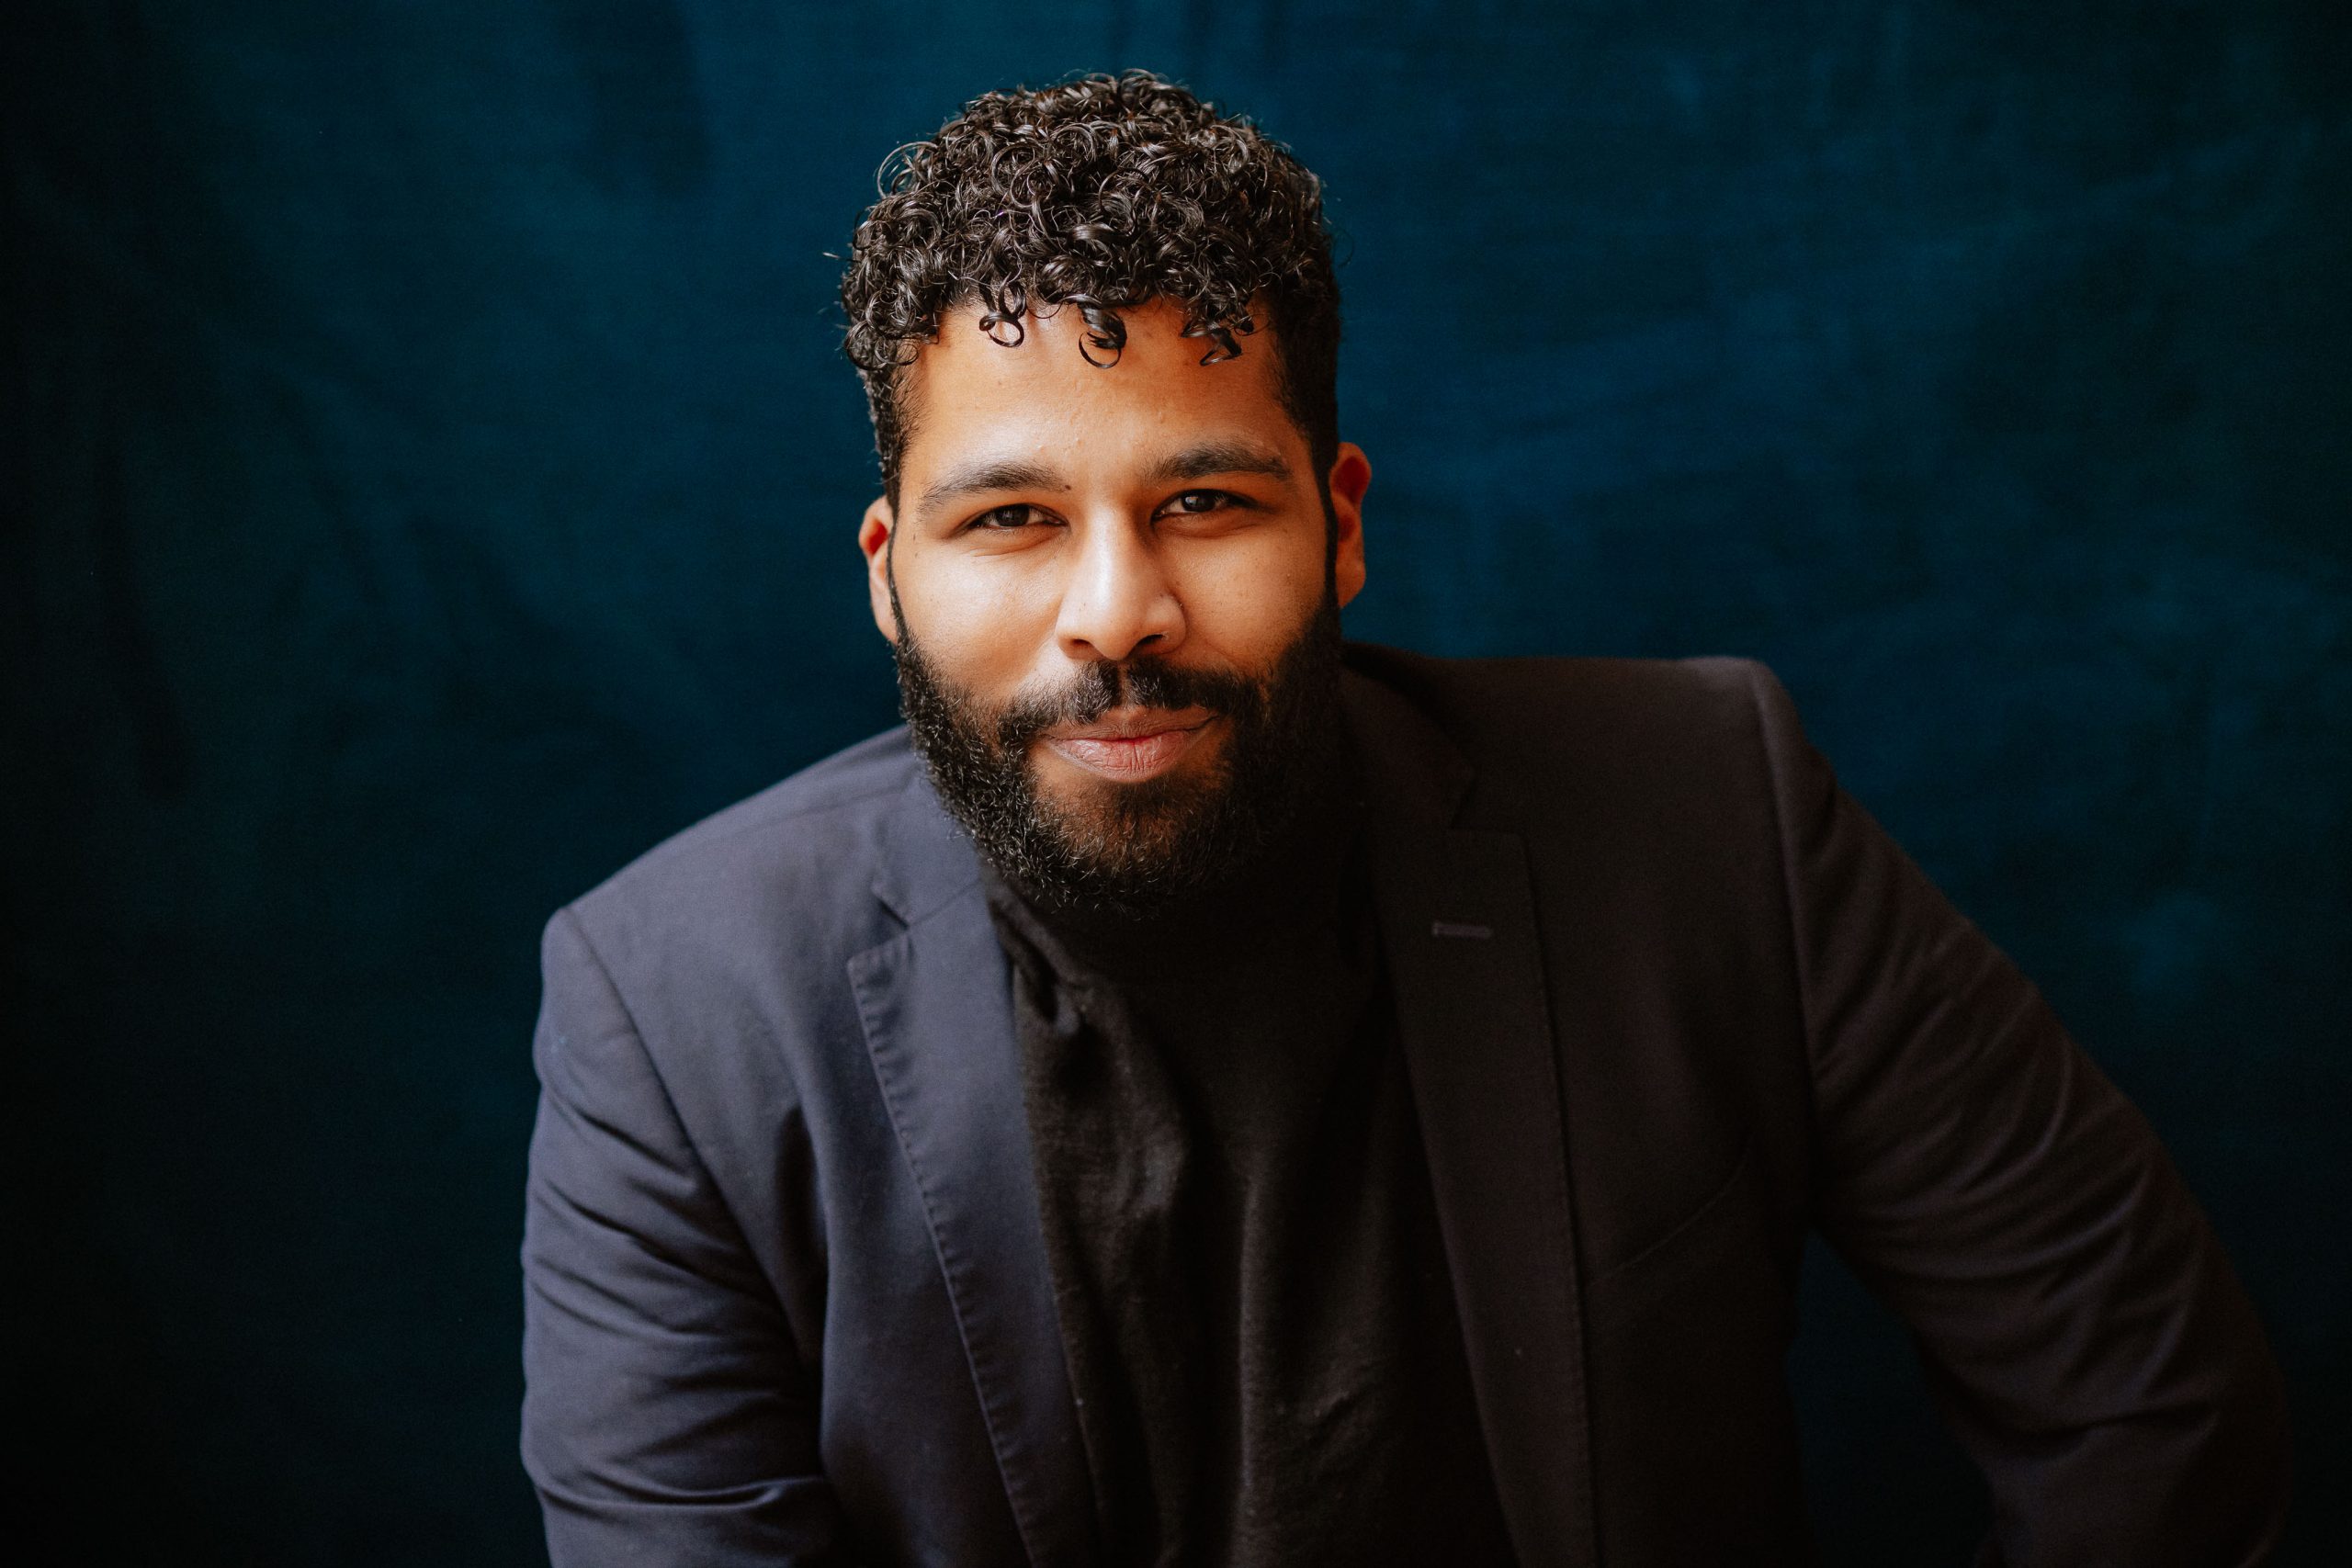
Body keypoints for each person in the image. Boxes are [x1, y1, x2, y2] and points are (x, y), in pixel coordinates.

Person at [519, 71, 2290, 1567]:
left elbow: (2149, 1411)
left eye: (1204, 498)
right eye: (1013, 521)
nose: (1118, 611)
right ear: (891, 575)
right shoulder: (671, 1011)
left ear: (1339, 525)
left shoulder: (1709, 815)